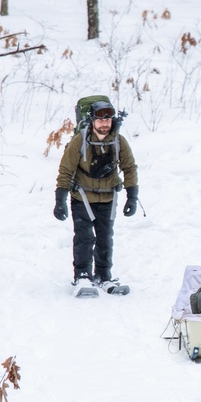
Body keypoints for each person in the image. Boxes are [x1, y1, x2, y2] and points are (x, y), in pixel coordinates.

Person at [54, 99, 139, 290]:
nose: (104, 124)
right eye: (100, 120)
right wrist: (60, 200)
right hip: (82, 197)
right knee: (84, 237)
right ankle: (82, 275)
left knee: (104, 237)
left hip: (108, 198)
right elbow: (65, 170)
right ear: (92, 120)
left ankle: (103, 276)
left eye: (108, 120)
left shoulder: (119, 141)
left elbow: (129, 168)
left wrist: (132, 197)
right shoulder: (80, 141)